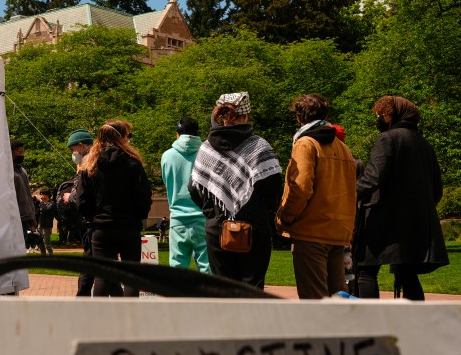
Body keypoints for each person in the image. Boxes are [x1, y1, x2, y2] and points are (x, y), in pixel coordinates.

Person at [354, 96, 448, 300]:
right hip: (415, 222)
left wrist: (346, 195)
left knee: (366, 271)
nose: (379, 119)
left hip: (384, 218)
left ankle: (369, 323)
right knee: (407, 274)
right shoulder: (424, 144)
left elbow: (372, 179)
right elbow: (437, 189)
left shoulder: (388, 138)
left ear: (391, 115)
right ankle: (415, 325)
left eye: (381, 115)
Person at [189, 92, 282, 290]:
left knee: (223, 290)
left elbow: (194, 189)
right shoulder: (260, 147)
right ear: (246, 115)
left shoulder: (206, 149)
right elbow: (274, 189)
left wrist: (213, 214)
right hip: (253, 228)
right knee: (252, 290)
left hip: (217, 230)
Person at [275, 94, 357, 299]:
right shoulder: (343, 148)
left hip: (310, 232)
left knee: (314, 302)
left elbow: (300, 188)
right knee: (337, 299)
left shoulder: (306, 144)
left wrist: (285, 217)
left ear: (299, 118)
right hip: (338, 233)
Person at [74, 120, 152, 297]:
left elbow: (82, 200)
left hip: (102, 228)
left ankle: (102, 320)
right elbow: (144, 196)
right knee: (131, 276)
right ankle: (130, 320)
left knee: (103, 276)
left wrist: (95, 217)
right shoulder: (133, 163)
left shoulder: (90, 165)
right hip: (129, 227)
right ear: (121, 137)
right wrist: (138, 216)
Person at [161, 117, 211, 274]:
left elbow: (166, 181)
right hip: (203, 218)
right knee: (207, 269)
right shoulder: (208, 154)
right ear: (198, 133)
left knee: (177, 271)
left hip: (178, 218)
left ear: (177, 134)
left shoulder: (167, 156)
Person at [58, 129, 95, 296]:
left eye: (73, 149)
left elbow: (82, 193)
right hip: (106, 222)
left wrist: (69, 196)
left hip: (93, 224)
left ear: (81, 145)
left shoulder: (90, 165)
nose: (72, 154)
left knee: (92, 268)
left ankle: (82, 301)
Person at [10, 140, 36, 252]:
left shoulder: (23, 171)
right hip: (13, 218)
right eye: (18, 152)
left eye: (22, 152)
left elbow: (28, 195)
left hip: (25, 218)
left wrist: (32, 217)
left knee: (20, 251)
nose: (21, 155)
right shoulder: (6, 171)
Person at [36, 189, 55, 255]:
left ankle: (51, 257)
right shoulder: (40, 204)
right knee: (41, 243)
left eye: (42, 194)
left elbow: (46, 210)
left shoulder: (51, 204)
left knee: (47, 244)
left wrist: (41, 202)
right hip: (40, 225)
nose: (41, 195)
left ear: (47, 195)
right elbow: (37, 212)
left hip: (47, 226)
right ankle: (43, 256)